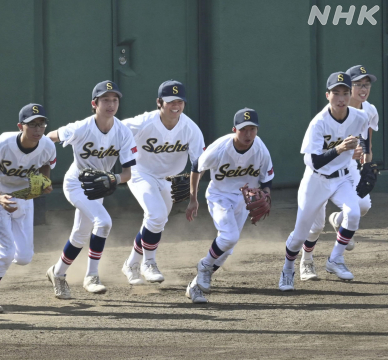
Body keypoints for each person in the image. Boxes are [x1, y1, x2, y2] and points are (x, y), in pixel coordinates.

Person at [45, 80, 137, 299]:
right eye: (105, 100)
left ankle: (57, 273)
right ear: (94, 104)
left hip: (99, 187)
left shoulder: (123, 132)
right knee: (103, 222)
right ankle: (92, 276)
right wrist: (44, 171)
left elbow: (127, 174)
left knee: (80, 234)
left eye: (115, 100)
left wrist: (112, 179)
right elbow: (48, 139)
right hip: (76, 182)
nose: (111, 104)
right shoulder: (81, 127)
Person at [279, 72, 369, 291]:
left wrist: (361, 152)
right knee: (302, 233)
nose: (341, 98)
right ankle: (288, 268)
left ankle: (335, 259)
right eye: (336, 93)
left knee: (355, 212)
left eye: (345, 93)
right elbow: (314, 162)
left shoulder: (359, 117)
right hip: (316, 180)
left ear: (351, 94)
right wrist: (339, 149)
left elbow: (363, 139)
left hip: (342, 178)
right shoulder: (318, 123)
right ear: (327, 95)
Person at [299, 65, 379, 281]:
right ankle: (306, 260)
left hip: (347, 169)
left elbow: (366, 141)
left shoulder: (368, 110)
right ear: (345, 88)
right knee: (315, 226)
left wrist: (366, 165)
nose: (363, 89)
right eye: (357, 84)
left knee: (361, 206)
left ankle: (337, 239)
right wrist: (343, 151)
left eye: (367, 84)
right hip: (322, 172)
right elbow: (317, 153)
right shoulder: (331, 110)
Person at [120, 80, 204, 284]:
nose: (176, 105)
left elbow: (198, 164)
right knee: (156, 215)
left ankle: (131, 264)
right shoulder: (144, 122)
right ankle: (149, 263)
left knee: (156, 222)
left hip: (170, 180)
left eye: (180, 101)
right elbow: (113, 131)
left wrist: (193, 197)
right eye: (170, 101)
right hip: (141, 173)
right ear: (159, 102)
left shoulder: (190, 128)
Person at [186, 108, 274, 303]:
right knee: (229, 236)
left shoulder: (261, 150)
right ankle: (204, 265)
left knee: (228, 248)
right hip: (220, 196)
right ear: (235, 129)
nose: (248, 134)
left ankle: (194, 286)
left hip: (243, 199)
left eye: (252, 129)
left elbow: (266, 179)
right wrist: (193, 198)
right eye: (244, 129)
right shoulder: (220, 148)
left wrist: (266, 196)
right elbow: (196, 167)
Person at [0, 103, 56, 313]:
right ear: (20, 126)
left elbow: (46, 163)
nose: (38, 129)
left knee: (23, 258)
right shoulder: (3, 142)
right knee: (5, 253)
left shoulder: (47, 145)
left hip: (23, 198)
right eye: (32, 124)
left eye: (42, 124)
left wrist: (45, 181)